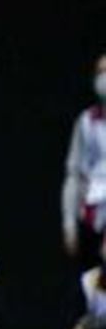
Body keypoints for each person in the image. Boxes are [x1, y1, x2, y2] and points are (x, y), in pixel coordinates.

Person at [62, 53, 106, 274]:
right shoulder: (86, 122)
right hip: (93, 217)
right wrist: (69, 223)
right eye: (100, 72)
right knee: (91, 283)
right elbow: (74, 175)